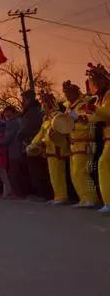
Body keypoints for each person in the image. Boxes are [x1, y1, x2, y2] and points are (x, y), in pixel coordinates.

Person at [28, 92, 69, 205]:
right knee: (53, 174)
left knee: (58, 173)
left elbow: (58, 133)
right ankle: (58, 195)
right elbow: (41, 133)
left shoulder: (58, 116)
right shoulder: (46, 118)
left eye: (45, 104)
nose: (43, 107)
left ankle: (62, 196)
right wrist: (33, 144)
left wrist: (41, 142)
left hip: (57, 147)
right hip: (49, 148)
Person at [63, 80, 98, 208]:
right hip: (74, 144)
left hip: (86, 143)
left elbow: (90, 122)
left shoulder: (84, 105)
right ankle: (83, 198)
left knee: (83, 171)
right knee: (75, 173)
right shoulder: (68, 108)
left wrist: (76, 118)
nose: (67, 95)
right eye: (66, 93)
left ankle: (91, 198)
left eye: (70, 92)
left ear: (76, 93)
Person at [84, 65, 110, 213]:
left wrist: (94, 110)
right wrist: (85, 117)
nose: (94, 84)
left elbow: (107, 113)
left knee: (102, 164)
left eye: (96, 80)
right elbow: (98, 118)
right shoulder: (102, 97)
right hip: (106, 139)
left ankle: (107, 201)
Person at [19, 90, 51, 201]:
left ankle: (42, 194)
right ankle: (44, 193)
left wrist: (21, 135)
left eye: (24, 99)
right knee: (38, 169)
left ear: (28, 99)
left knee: (36, 170)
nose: (23, 101)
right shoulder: (35, 110)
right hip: (35, 142)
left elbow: (27, 128)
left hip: (33, 143)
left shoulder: (31, 112)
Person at [0, 106, 26, 198]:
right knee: (20, 172)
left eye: (7, 112)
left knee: (13, 173)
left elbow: (7, 138)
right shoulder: (20, 120)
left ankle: (16, 193)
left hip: (14, 150)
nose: (6, 115)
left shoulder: (12, 123)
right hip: (22, 149)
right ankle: (21, 192)